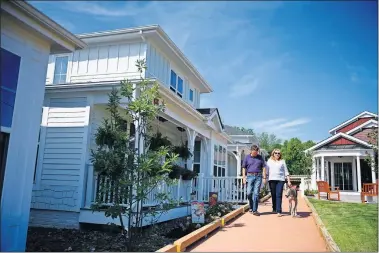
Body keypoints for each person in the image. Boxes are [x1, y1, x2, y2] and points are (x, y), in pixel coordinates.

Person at [242, 145, 268, 216]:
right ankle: (251, 206)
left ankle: (255, 210)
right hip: (249, 176)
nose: (255, 154)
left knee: (256, 193)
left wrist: (264, 177)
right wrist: (244, 178)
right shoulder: (247, 157)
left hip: (258, 176)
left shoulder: (260, 157)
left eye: (256, 153)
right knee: (249, 193)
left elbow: (264, 167)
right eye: (254, 153)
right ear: (251, 151)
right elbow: (244, 168)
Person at [266, 148, 291, 217]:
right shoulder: (269, 161)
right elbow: (266, 171)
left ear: (280, 154)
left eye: (278, 153)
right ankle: (274, 208)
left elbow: (286, 171)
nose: (277, 154)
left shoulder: (282, 161)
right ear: (273, 154)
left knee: (279, 194)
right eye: (276, 153)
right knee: (273, 194)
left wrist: (288, 181)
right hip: (271, 179)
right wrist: (264, 178)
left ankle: (279, 210)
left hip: (280, 180)